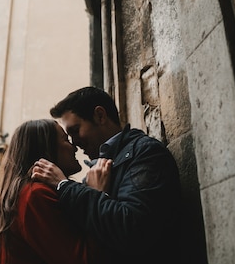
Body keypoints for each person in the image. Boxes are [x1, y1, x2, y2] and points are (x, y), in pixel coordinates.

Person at [31, 86, 184, 264]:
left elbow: (132, 229)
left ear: (100, 116)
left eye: (75, 130)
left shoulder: (145, 153)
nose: (74, 143)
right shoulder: (99, 168)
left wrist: (65, 186)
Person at [0, 118, 111, 264]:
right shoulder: (34, 195)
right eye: (66, 140)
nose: (75, 147)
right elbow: (82, 259)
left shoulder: (30, 193)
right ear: (46, 149)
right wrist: (96, 196)